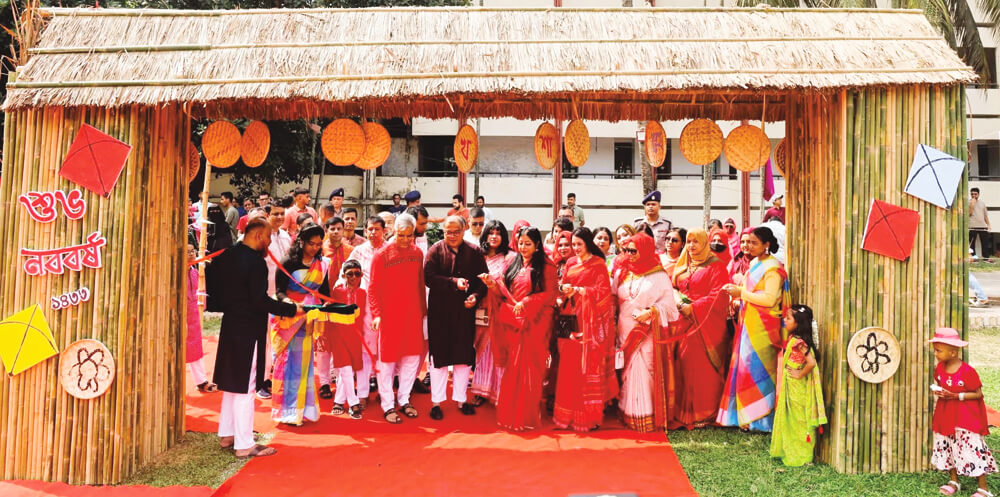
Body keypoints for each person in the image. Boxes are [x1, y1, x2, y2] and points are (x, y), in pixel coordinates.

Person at [213, 218, 300, 458]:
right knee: (245, 385)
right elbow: (259, 301)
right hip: (248, 329)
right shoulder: (255, 262)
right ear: (259, 235)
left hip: (231, 324)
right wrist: (291, 309)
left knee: (232, 383)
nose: (270, 242)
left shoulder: (228, 255)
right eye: (269, 237)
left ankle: (228, 433)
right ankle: (244, 444)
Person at [480, 226, 558, 431]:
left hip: (534, 325)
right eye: (520, 243)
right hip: (513, 324)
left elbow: (550, 294)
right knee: (512, 370)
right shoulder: (513, 263)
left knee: (530, 370)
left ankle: (527, 417)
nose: (523, 247)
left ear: (537, 245)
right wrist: (491, 284)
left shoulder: (547, 267)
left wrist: (527, 302)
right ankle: (510, 415)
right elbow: (503, 291)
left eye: (528, 244)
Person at [718, 226, 789, 431]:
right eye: (745, 242)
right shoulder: (755, 263)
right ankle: (746, 417)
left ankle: (762, 421)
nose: (747, 246)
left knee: (758, 369)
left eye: (753, 242)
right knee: (745, 368)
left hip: (764, 327)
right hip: (748, 322)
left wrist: (741, 293)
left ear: (767, 244)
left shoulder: (773, 268)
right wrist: (738, 298)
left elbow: (769, 299)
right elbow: (753, 293)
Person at [552, 227, 617, 431]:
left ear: (588, 243)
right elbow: (562, 285)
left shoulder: (598, 264)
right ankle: (566, 415)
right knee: (568, 366)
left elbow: (604, 293)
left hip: (589, 323)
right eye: (573, 244)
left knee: (586, 368)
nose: (576, 248)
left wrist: (580, 290)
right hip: (570, 319)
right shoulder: (571, 262)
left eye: (579, 244)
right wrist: (562, 290)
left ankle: (588, 417)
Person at [425, 216, 489, 420]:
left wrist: (475, 296)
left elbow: (483, 281)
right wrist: (453, 282)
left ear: (464, 231)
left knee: (463, 356)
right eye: (447, 232)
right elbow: (428, 278)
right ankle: (436, 402)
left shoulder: (474, 251)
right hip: (439, 313)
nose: (451, 236)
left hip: (464, 312)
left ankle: (461, 399)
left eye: (456, 232)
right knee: (439, 357)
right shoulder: (435, 250)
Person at [616, 232, 678, 432]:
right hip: (625, 331)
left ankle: (647, 416)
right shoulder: (622, 272)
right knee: (627, 373)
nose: (629, 254)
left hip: (646, 331)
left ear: (645, 250)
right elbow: (613, 299)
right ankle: (626, 413)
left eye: (634, 251)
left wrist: (650, 312)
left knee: (644, 371)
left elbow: (671, 308)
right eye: (627, 250)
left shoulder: (659, 275)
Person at [369, 214, 427, 423]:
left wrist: (423, 312)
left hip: (412, 315)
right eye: (401, 235)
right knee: (387, 361)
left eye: (409, 236)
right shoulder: (381, 255)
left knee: (412, 358)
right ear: (394, 232)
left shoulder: (417, 253)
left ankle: (404, 399)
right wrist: (376, 314)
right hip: (389, 316)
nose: (405, 239)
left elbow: (420, 284)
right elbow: (373, 289)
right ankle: (387, 404)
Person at [672, 228, 731, 429]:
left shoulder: (717, 266)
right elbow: (673, 287)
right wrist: (678, 302)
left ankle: (705, 412)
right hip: (683, 322)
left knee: (702, 368)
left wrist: (693, 308)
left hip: (705, 324)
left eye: (696, 242)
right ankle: (684, 412)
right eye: (688, 242)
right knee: (683, 364)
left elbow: (719, 296)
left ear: (705, 243)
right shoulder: (683, 265)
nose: (691, 246)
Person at [270, 224, 329, 425]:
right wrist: (291, 304)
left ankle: (303, 409)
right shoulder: (288, 261)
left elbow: (325, 293)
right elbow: (279, 291)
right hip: (289, 317)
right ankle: (286, 411)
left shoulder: (321, 263)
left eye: (319, 244)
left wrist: (326, 306)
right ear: (301, 242)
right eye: (311, 243)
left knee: (304, 364)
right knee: (287, 363)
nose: (315, 248)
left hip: (308, 318)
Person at [929, 327, 996, 497]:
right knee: (948, 446)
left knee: (971, 448)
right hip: (946, 415)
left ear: (953, 352)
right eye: (935, 350)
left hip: (965, 418)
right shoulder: (939, 368)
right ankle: (954, 481)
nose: (935, 353)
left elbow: (978, 394)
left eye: (939, 350)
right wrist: (941, 392)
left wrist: (956, 395)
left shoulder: (967, 371)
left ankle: (983, 488)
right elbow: (942, 385)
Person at [770, 304, 827, 467]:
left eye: (788, 318)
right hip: (792, 385)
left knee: (800, 420)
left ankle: (803, 457)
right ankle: (792, 451)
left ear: (798, 323)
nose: (785, 320)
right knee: (793, 420)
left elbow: (811, 363)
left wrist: (799, 374)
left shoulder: (799, 342)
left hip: (798, 387)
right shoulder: (794, 339)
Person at [341, 216, 387, 407]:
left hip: (388, 307)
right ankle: (363, 393)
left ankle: (386, 394)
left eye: (377, 229)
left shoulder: (390, 250)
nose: (373, 233)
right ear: (365, 231)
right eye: (370, 229)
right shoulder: (358, 251)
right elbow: (344, 275)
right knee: (365, 351)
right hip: (365, 308)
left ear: (384, 231)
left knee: (385, 353)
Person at [470, 220, 513, 406]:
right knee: (480, 350)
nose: (494, 236)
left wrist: (494, 285)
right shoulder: (478, 257)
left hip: (500, 311)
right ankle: (481, 391)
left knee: (497, 351)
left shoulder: (509, 258)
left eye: (498, 233)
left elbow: (511, 285)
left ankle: (498, 391)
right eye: (491, 233)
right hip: (479, 308)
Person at [322, 260, 366, 420]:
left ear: (361, 275)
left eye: (357, 274)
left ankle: (339, 401)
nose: (354, 277)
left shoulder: (363, 293)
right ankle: (354, 403)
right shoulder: (337, 291)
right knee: (346, 369)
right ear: (343, 276)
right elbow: (329, 309)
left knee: (348, 370)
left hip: (355, 336)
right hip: (338, 335)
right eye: (350, 274)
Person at [315, 216, 353, 400]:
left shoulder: (350, 251)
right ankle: (324, 382)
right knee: (323, 345)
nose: (336, 232)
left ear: (344, 230)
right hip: (323, 303)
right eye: (332, 229)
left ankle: (339, 381)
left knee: (341, 343)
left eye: (339, 228)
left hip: (343, 304)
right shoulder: (319, 250)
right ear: (326, 230)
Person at [187, 243, 217, 393]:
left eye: (192, 251)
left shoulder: (194, 272)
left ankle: (201, 380)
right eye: (187, 252)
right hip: (179, 316)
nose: (191, 254)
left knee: (195, 348)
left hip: (192, 315)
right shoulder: (175, 273)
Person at [970, 188, 991, 258]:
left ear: (978, 194)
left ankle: (986, 258)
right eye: (972, 194)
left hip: (982, 226)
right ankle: (974, 258)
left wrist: (988, 225)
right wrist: (972, 205)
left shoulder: (982, 203)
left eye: (975, 194)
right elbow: (968, 214)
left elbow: (985, 215)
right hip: (972, 226)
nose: (973, 195)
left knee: (985, 243)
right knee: (972, 244)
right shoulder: (968, 202)